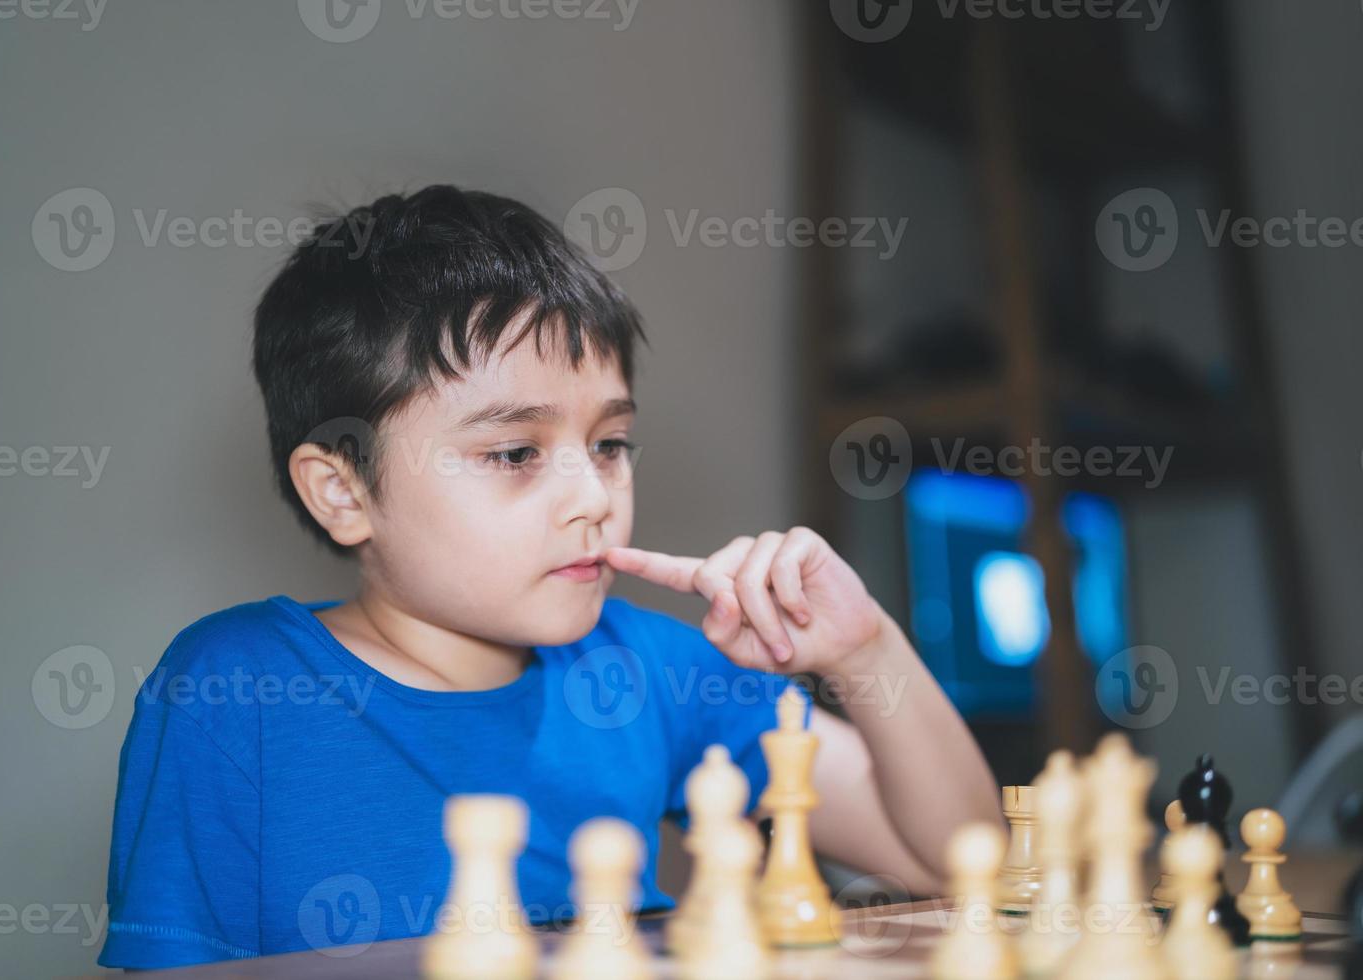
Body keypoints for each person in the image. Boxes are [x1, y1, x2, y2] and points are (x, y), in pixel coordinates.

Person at [96, 185, 999, 969]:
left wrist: (864, 646)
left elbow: (957, 862)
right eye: (516, 452)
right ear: (343, 490)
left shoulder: (653, 670)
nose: (593, 496)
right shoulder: (232, 694)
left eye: (610, 445)